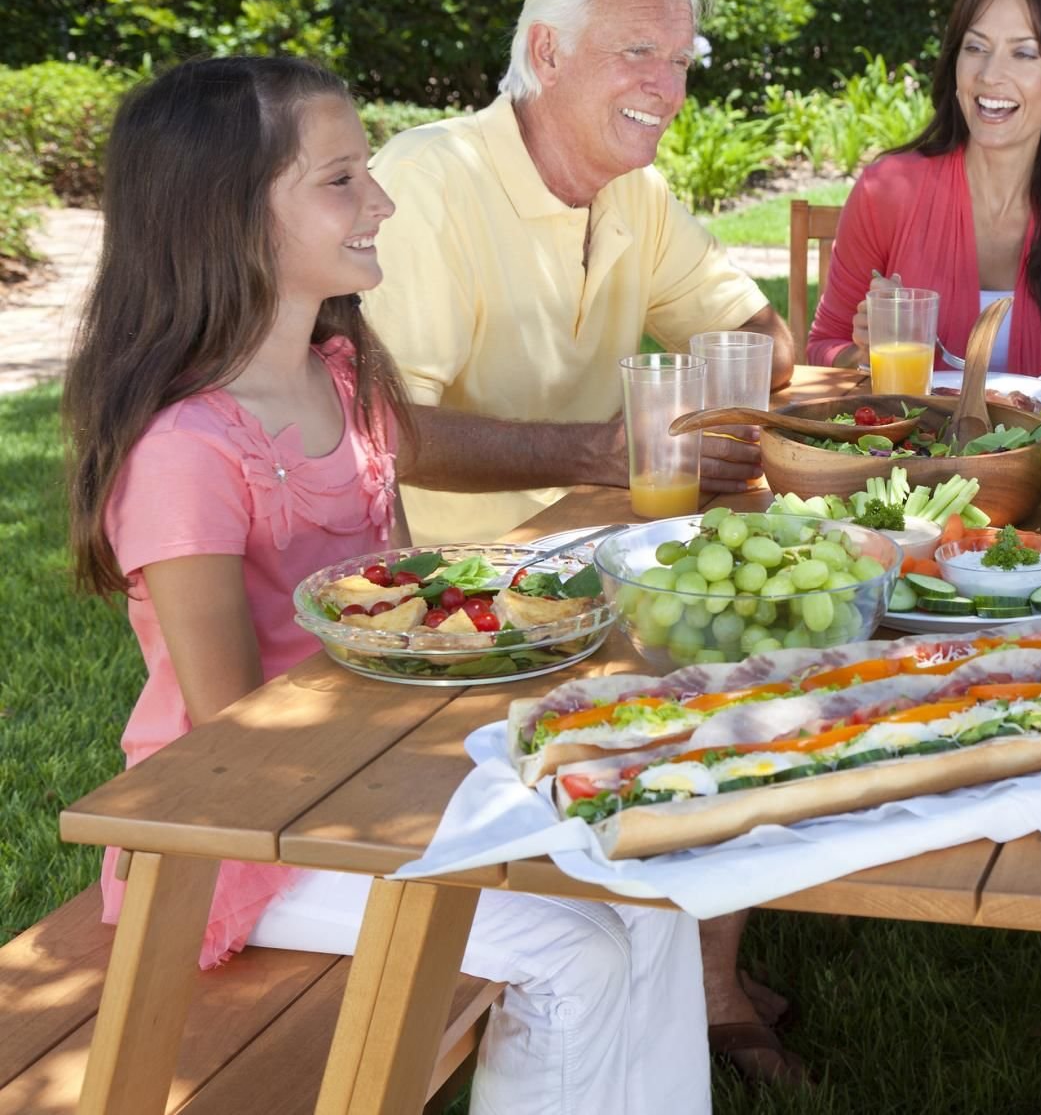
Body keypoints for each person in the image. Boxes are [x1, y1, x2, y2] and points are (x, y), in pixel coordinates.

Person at [62, 57, 707, 1114]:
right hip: (232, 847)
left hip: (375, 786)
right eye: (342, 179)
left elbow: (407, 614)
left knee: (656, 885)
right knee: (571, 944)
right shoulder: (186, 450)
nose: (384, 201)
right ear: (230, 215)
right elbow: (234, 746)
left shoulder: (344, 384)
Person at [364, 0, 794, 548]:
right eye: (638, 51)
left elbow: (766, 343)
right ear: (548, 52)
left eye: (679, 60)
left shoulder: (633, 189)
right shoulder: (429, 178)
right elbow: (383, 433)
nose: (668, 89)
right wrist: (604, 450)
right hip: (463, 591)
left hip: (609, 546)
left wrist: (671, 423)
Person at [806, 0, 1041, 376]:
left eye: (1024, 53)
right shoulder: (886, 191)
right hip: (915, 440)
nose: (989, 74)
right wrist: (866, 355)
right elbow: (824, 346)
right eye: (975, 48)